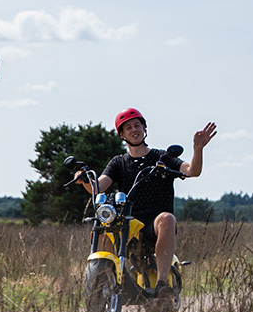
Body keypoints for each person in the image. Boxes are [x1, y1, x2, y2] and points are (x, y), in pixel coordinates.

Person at [77, 108, 217, 296]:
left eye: (137, 125)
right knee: (104, 226)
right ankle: (104, 280)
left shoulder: (162, 157)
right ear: (122, 134)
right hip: (127, 221)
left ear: (144, 128)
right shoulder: (118, 162)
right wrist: (85, 179)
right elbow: (98, 187)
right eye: (128, 128)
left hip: (154, 224)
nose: (134, 130)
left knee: (167, 218)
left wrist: (197, 149)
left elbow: (192, 171)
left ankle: (161, 285)